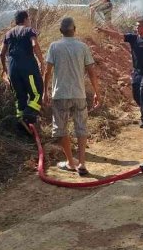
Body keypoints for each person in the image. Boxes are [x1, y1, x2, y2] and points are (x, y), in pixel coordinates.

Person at [43, 17, 101, 176]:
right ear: (74, 29)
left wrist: (45, 92)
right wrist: (97, 92)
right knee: (81, 128)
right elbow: (91, 72)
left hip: (60, 95)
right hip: (79, 95)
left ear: (61, 31)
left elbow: (47, 71)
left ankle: (69, 161)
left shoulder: (54, 47)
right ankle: (82, 163)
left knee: (61, 129)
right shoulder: (82, 47)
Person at [96, 17, 143, 128]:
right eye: (136, 26)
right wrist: (103, 30)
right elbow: (118, 35)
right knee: (136, 96)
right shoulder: (133, 38)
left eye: (139, 25)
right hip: (136, 72)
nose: (137, 27)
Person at [0, 10, 45, 125]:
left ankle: (21, 124)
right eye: (28, 19)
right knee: (37, 92)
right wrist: (42, 62)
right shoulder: (29, 30)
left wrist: (4, 69)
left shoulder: (8, 33)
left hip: (12, 68)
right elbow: (34, 45)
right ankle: (28, 115)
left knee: (20, 96)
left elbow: (1, 53)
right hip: (27, 67)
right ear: (25, 19)